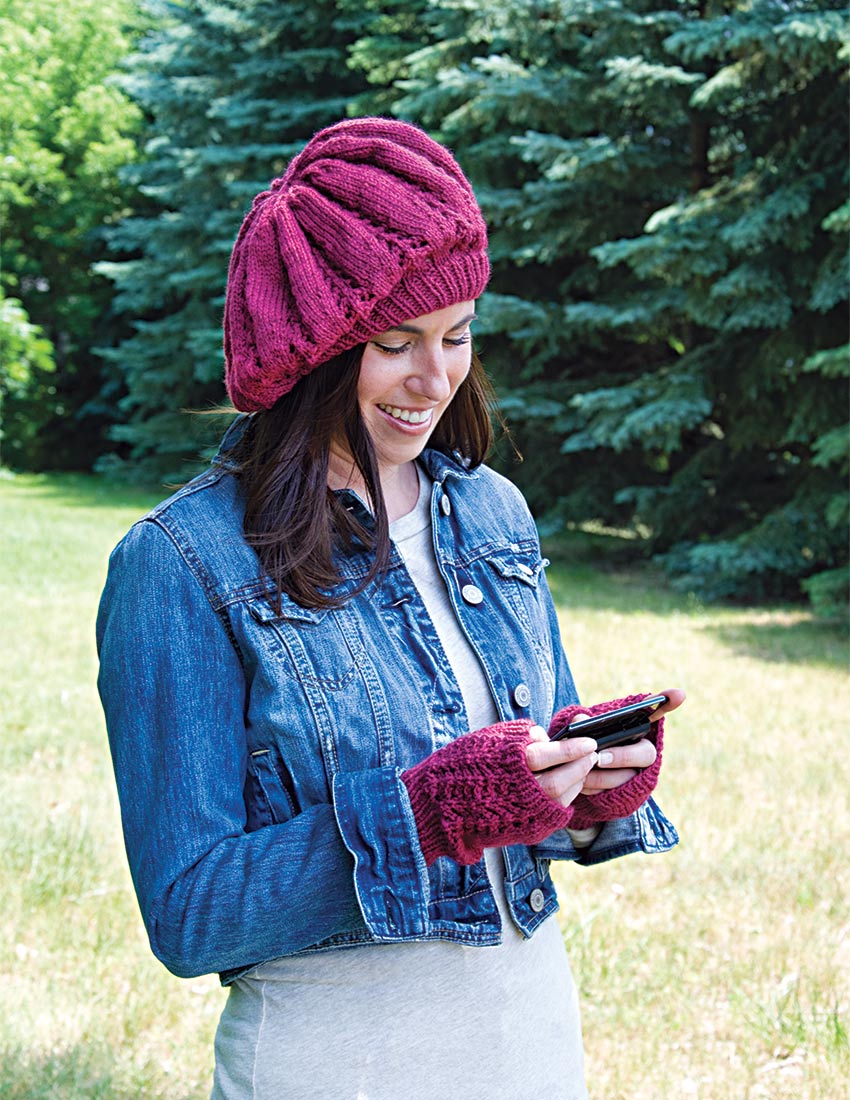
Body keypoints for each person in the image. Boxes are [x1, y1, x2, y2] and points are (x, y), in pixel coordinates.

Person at [96, 116, 684, 1100]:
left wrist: (588, 785)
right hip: (339, 1064)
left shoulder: (493, 511)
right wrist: (430, 812)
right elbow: (190, 912)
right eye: (394, 343)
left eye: (456, 335)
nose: (435, 377)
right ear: (310, 358)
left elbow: (527, 789)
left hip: (528, 1044)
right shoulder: (180, 566)